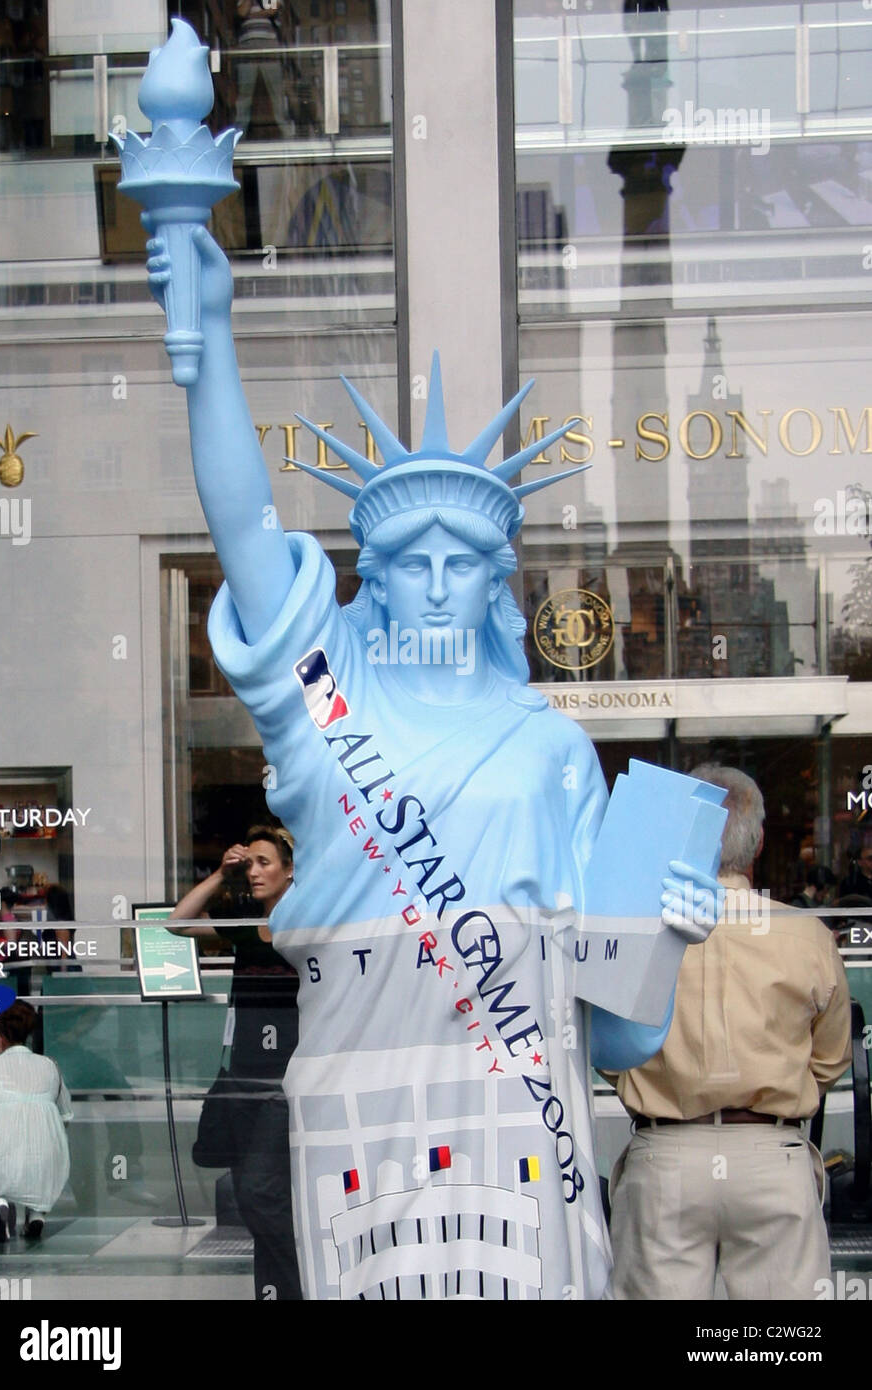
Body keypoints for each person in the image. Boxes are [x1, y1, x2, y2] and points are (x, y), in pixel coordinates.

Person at [143, 209, 720, 1300]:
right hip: (365, 1102)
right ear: (378, 578)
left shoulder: (552, 748)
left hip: (521, 1112)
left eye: (468, 563)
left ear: (498, 581)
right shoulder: (327, 709)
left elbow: (617, 1037)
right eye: (415, 562)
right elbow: (244, 530)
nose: (442, 584)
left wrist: (667, 931)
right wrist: (208, 337)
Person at [605, 765, 852, 1301]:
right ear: (759, 840)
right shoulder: (807, 935)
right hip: (772, 1155)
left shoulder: (638, 932)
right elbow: (831, 1059)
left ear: (679, 832)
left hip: (664, 1157)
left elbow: (610, 1047)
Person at [168, 825, 300, 1300]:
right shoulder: (245, 922)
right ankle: (277, 1289)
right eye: (252, 864)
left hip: (285, 1084)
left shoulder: (305, 925)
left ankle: (301, 1286)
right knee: (251, 1195)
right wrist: (221, 875)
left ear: (290, 870)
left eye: (266, 863)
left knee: (264, 1194)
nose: (256, 872)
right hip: (242, 1078)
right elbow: (177, 923)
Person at [0, 1000, 71, 1242]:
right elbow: (66, 1114)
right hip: (49, 1164)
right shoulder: (50, 1066)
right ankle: (36, 1214)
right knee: (38, 1171)